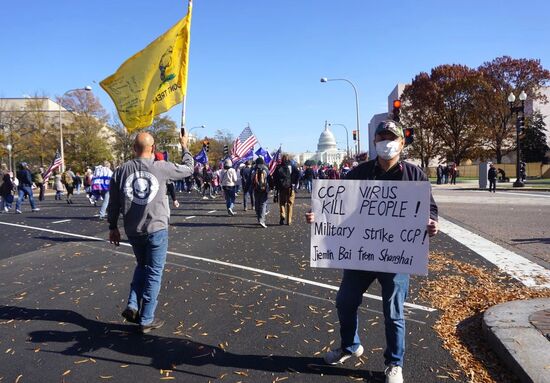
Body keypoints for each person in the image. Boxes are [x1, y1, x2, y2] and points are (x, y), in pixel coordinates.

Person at [305, 120, 439, 383]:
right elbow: (336, 204)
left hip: (397, 255)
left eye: (392, 137)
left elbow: (430, 209)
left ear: (402, 143)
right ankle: (349, 345)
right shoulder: (358, 172)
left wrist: (432, 223)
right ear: (375, 142)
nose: (386, 142)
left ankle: (394, 363)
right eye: (382, 137)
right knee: (345, 301)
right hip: (361, 253)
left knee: (394, 311)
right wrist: (317, 216)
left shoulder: (415, 175)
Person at [108, 131, 194, 334]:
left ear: (133, 149)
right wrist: (185, 146)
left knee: (142, 266)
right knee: (154, 272)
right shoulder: (160, 167)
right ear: (153, 148)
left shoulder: (121, 171)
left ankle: (133, 305)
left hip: (133, 230)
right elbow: (189, 169)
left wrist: (112, 227)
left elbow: (113, 204)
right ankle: (146, 318)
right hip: (156, 229)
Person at [274, 154, 299, 225]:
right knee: (290, 204)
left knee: (282, 203)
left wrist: (277, 186)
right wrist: (294, 183)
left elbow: (275, 178)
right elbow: (298, 174)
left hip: (282, 187)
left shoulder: (278, 167)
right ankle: (289, 220)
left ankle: (282, 215)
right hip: (290, 187)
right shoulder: (292, 166)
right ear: (288, 159)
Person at [251, 156, 270, 228]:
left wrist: (248, 188)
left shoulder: (253, 169)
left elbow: (251, 179)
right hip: (264, 189)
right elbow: (269, 178)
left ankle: (259, 217)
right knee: (263, 204)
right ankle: (262, 220)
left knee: (257, 202)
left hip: (256, 188)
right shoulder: (266, 169)